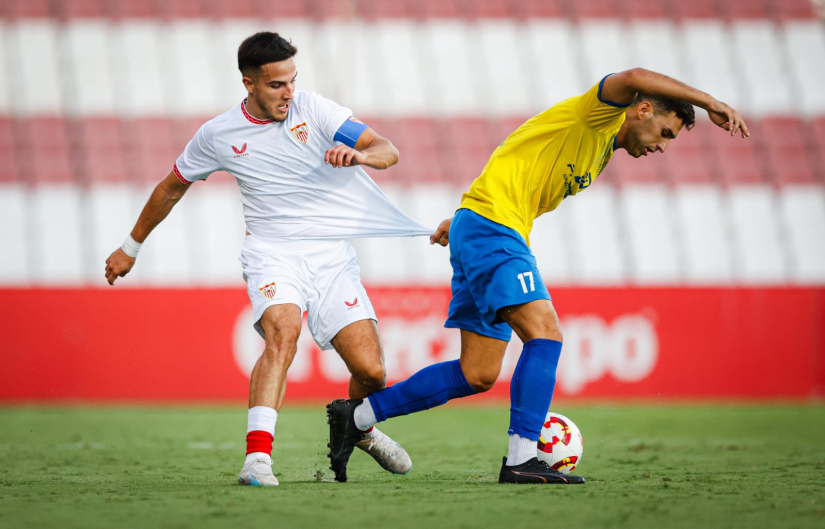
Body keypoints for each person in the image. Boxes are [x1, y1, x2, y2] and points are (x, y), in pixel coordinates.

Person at [327, 68, 750, 484]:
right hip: (494, 229)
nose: (663, 146)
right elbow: (634, 74)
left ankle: (358, 416)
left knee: (478, 372)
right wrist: (709, 101)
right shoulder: (596, 116)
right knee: (546, 334)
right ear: (642, 110)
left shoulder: (600, 149)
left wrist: (462, 221)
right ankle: (522, 458)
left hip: (479, 225)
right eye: (666, 133)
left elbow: (518, 166)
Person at [105, 32, 434, 486]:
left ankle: (358, 428)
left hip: (331, 255)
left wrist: (358, 155)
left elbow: (387, 149)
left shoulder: (315, 110)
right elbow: (171, 186)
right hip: (272, 252)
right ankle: (257, 461)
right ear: (249, 83)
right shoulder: (218, 134)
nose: (289, 93)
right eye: (278, 84)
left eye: (293, 81)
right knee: (283, 332)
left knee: (372, 371)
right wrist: (130, 247)